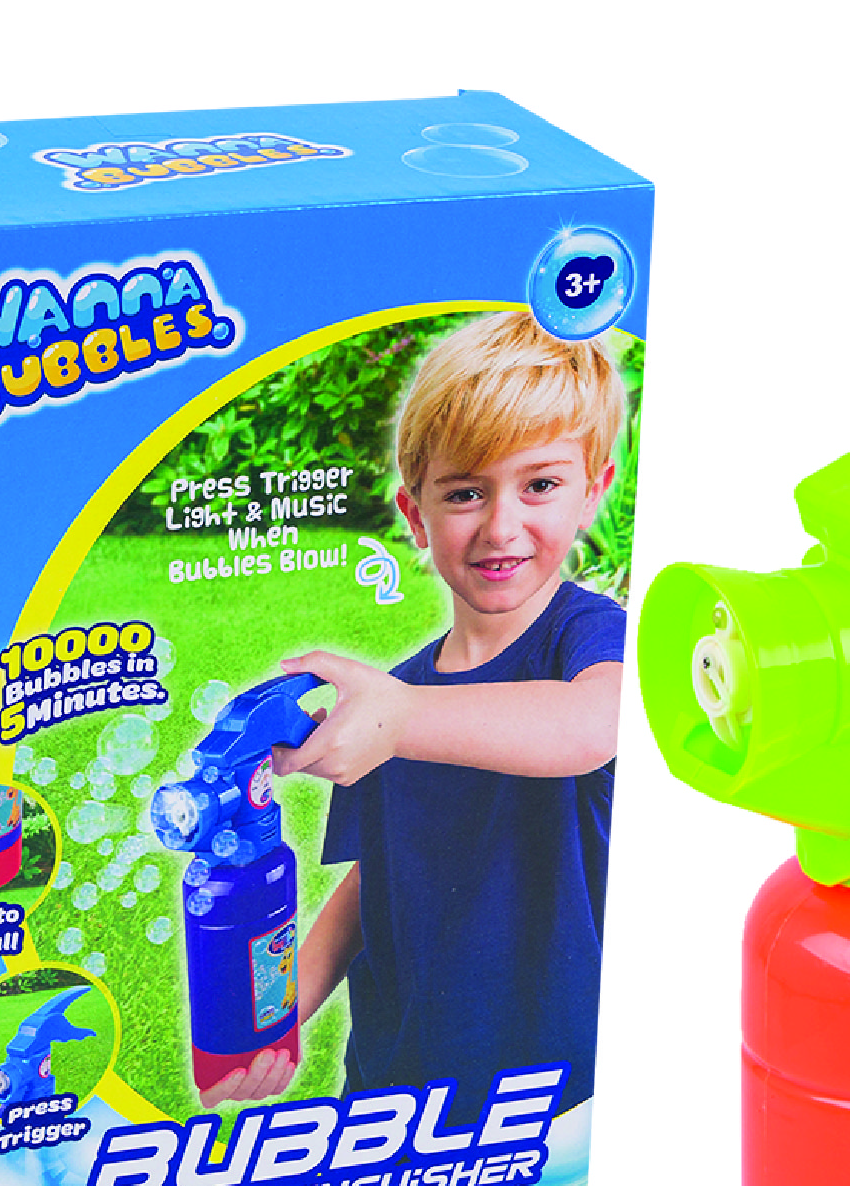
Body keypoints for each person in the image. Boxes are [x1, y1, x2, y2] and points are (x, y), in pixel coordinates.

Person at [196, 311, 626, 1116]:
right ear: (415, 515)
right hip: (389, 1085)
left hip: (546, 1095)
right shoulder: (395, 694)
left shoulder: (589, 639)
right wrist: (279, 1013)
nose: (501, 526)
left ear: (592, 491)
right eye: (465, 492)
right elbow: (374, 881)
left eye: (539, 485)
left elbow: (592, 725)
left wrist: (400, 721)